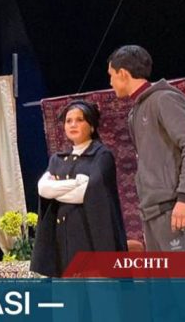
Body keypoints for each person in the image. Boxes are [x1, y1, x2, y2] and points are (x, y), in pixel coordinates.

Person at [107, 45, 185, 251]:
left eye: (111, 75)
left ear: (123, 73)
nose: (110, 82)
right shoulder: (135, 112)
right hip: (153, 212)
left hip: (173, 208)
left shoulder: (164, 99)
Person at [31, 100, 127, 277]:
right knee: (68, 294)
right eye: (68, 121)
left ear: (91, 126)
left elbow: (87, 193)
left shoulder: (101, 156)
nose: (73, 124)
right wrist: (76, 183)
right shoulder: (57, 159)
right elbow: (44, 189)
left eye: (79, 120)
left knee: (97, 293)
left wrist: (58, 189)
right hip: (63, 246)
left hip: (91, 243)